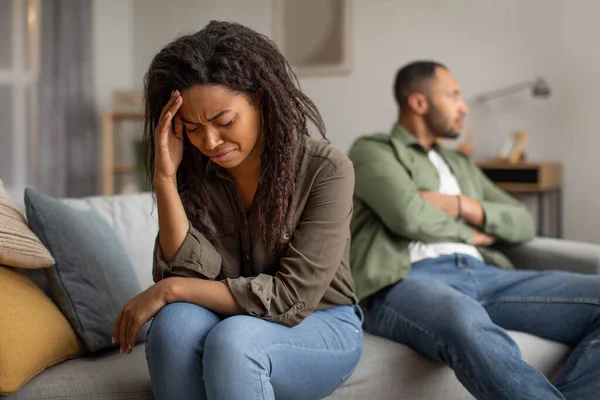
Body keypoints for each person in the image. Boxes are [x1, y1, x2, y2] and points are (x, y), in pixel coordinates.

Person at [112, 21, 362, 400]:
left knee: (234, 342)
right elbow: (187, 272)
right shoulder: (195, 170)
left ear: (260, 99)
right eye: (193, 128)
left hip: (322, 320)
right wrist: (164, 178)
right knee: (173, 328)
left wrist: (168, 290)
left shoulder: (326, 170)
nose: (210, 141)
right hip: (233, 316)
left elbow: (289, 298)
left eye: (224, 121)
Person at [348, 60, 600, 399]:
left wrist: (460, 205)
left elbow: (522, 221)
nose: (464, 107)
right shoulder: (373, 150)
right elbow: (408, 216)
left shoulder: (460, 163)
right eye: (453, 96)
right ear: (419, 103)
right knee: (463, 318)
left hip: (484, 275)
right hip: (407, 278)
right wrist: (469, 232)